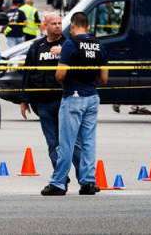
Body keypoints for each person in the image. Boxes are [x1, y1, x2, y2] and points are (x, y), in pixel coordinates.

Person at [41, 12, 108, 196]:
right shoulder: (98, 44)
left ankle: (58, 183)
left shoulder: (71, 44)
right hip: (92, 97)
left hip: (73, 97)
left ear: (73, 26)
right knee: (88, 142)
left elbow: (60, 74)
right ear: (87, 25)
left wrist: (65, 82)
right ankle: (88, 182)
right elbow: (104, 78)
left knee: (66, 143)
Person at [20, 13, 81, 181]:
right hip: (43, 102)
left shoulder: (70, 44)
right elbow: (27, 73)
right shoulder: (36, 46)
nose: (57, 26)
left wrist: (64, 52)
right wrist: (24, 99)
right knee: (52, 142)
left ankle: (84, 177)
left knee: (71, 141)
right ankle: (60, 175)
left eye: (60, 23)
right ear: (45, 26)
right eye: (53, 23)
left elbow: (81, 66)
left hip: (64, 99)